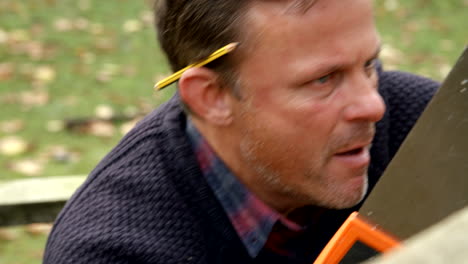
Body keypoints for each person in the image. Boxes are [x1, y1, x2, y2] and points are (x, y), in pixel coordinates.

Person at [44, 0, 439, 263]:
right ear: (211, 97)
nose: (374, 105)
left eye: (369, 64)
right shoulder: (114, 252)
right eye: (323, 79)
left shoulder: (428, 128)